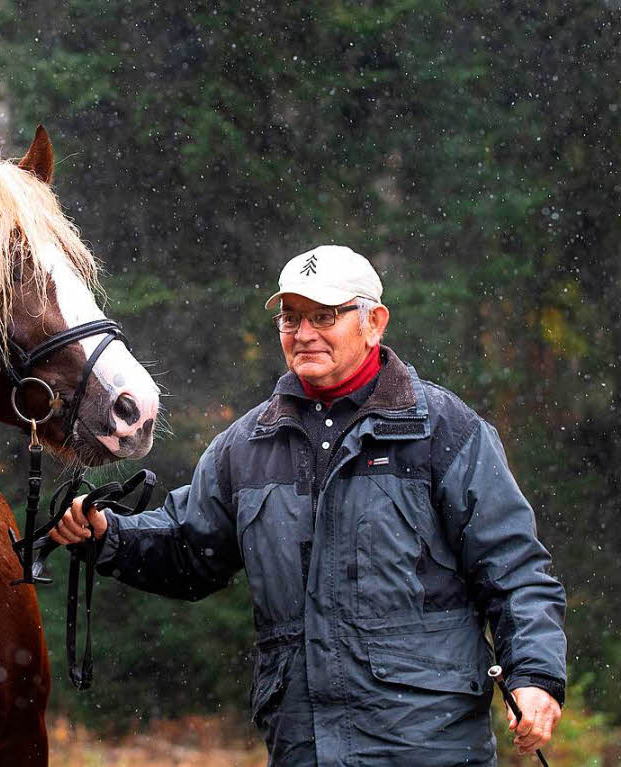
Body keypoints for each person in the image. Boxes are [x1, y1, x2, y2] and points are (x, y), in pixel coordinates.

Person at [50, 245, 567, 766]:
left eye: (325, 316)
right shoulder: (246, 444)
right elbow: (190, 550)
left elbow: (514, 569)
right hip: (303, 746)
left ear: (374, 322)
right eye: (290, 317)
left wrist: (536, 676)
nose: (303, 333)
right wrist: (106, 536)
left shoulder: (444, 429)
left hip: (430, 744)